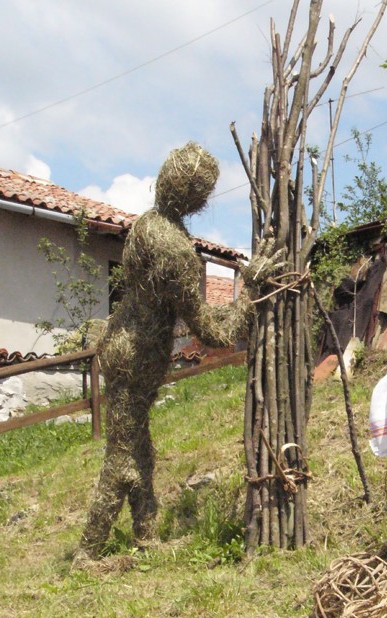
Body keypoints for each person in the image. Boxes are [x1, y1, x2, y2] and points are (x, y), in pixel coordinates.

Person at [76, 142, 282, 561]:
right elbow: (213, 331)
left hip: (120, 344)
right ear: (200, 199)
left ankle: (145, 533)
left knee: (138, 445)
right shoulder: (175, 250)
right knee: (122, 458)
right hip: (136, 359)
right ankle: (88, 552)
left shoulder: (146, 224)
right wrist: (251, 288)